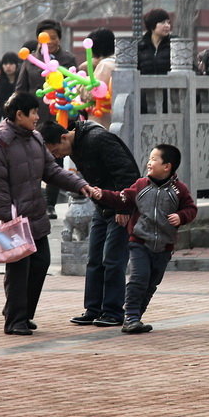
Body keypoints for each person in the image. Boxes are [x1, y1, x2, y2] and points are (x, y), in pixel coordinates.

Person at [0, 92, 93, 335]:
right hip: (10, 218)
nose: (37, 117)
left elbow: (51, 171)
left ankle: (22, 312)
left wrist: (78, 184)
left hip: (34, 215)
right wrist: (6, 218)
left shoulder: (34, 139)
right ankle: (15, 321)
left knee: (40, 262)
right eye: (32, 113)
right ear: (18, 114)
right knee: (18, 269)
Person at [41, 120, 140, 328]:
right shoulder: (75, 148)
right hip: (101, 206)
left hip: (119, 206)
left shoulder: (98, 139)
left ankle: (113, 311)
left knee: (113, 259)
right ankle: (93, 309)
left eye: (55, 151)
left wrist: (124, 207)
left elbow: (128, 173)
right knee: (94, 258)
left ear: (64, 137)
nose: (56, 156)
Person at [91, 144, 197, 333]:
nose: (149, 162)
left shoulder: (179, 190)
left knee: (151, 283)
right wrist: (102, 195)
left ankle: (136, 316)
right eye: (149, 158)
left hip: (164, 246)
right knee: (139, 278)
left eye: (154, 159)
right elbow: (121, 198)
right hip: (139, 242)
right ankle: (130, 317)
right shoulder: (140, 185)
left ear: (167, 166)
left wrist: (181, 216)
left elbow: (191, 209)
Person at [16, 18, 77, 220]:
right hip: (33, 117)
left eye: (54, 37)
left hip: (58, 116)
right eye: (45, 38)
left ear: (60, 38)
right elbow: (21, 89)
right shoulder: (30, 60)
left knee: (55, 159)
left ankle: (50, 204)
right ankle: (33, 202)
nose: (50, 41)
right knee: (30, 160)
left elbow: (74, 85)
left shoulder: (67, 59)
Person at [79, 28, 116, 129]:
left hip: (101, 119)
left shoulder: (105, 65)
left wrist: (80, 86)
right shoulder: (118, 61)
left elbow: (90, 93)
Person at [0, 52, 21, 129]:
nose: (8, 66)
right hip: (1, 120)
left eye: (11, 63)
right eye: (5, 64)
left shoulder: (22, 82)